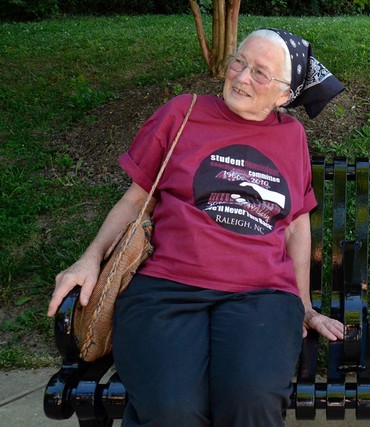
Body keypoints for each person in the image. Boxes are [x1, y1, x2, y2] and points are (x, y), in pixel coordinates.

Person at [48, 28, 345, 426]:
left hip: (262, 297)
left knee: (250, 401)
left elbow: (295, 226)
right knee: (172, 411)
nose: (240, 77)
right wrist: (90, 258)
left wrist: (304, 306)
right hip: (165, 290)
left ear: (284, 96)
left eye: (260, 73)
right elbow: (137, 200)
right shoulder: (182, 113)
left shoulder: (291, 137)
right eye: (239, 62)